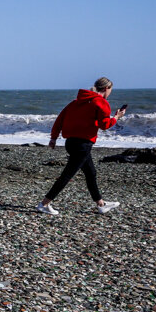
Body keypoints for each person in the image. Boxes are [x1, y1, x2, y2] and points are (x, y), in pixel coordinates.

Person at [37, 78, 126, 215]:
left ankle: (101, 204)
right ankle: (44, 204)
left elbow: (59, 120)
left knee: (91, 173)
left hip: (71, 143)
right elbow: (105, 125)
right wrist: (116, 117)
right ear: (106, 88)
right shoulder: (101, 102)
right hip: (83, 145)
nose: (110, 93)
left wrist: (53, 138)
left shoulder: (75, 102)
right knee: (67, 175)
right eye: (110, 90)